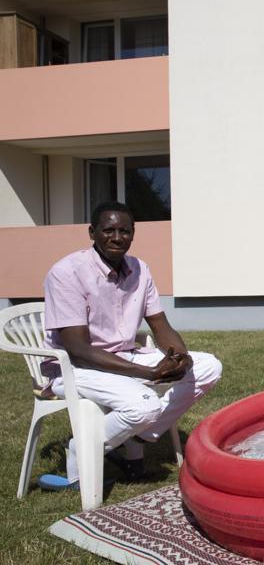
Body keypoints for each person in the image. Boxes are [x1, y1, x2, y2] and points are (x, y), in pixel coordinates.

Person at [40, 201, 222, 490]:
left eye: (124, 231)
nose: (117, 237)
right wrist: (147, 374)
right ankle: (80, 450)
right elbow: (79, 350)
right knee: (144, 403)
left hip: (125, 356)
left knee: (208, 366)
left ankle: (139, 436)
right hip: (74, 368)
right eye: (108, 230)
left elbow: (160, 325)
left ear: (133, 234)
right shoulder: (67, 273)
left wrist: (181, 358)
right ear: (92, 232)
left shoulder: (139, 269)